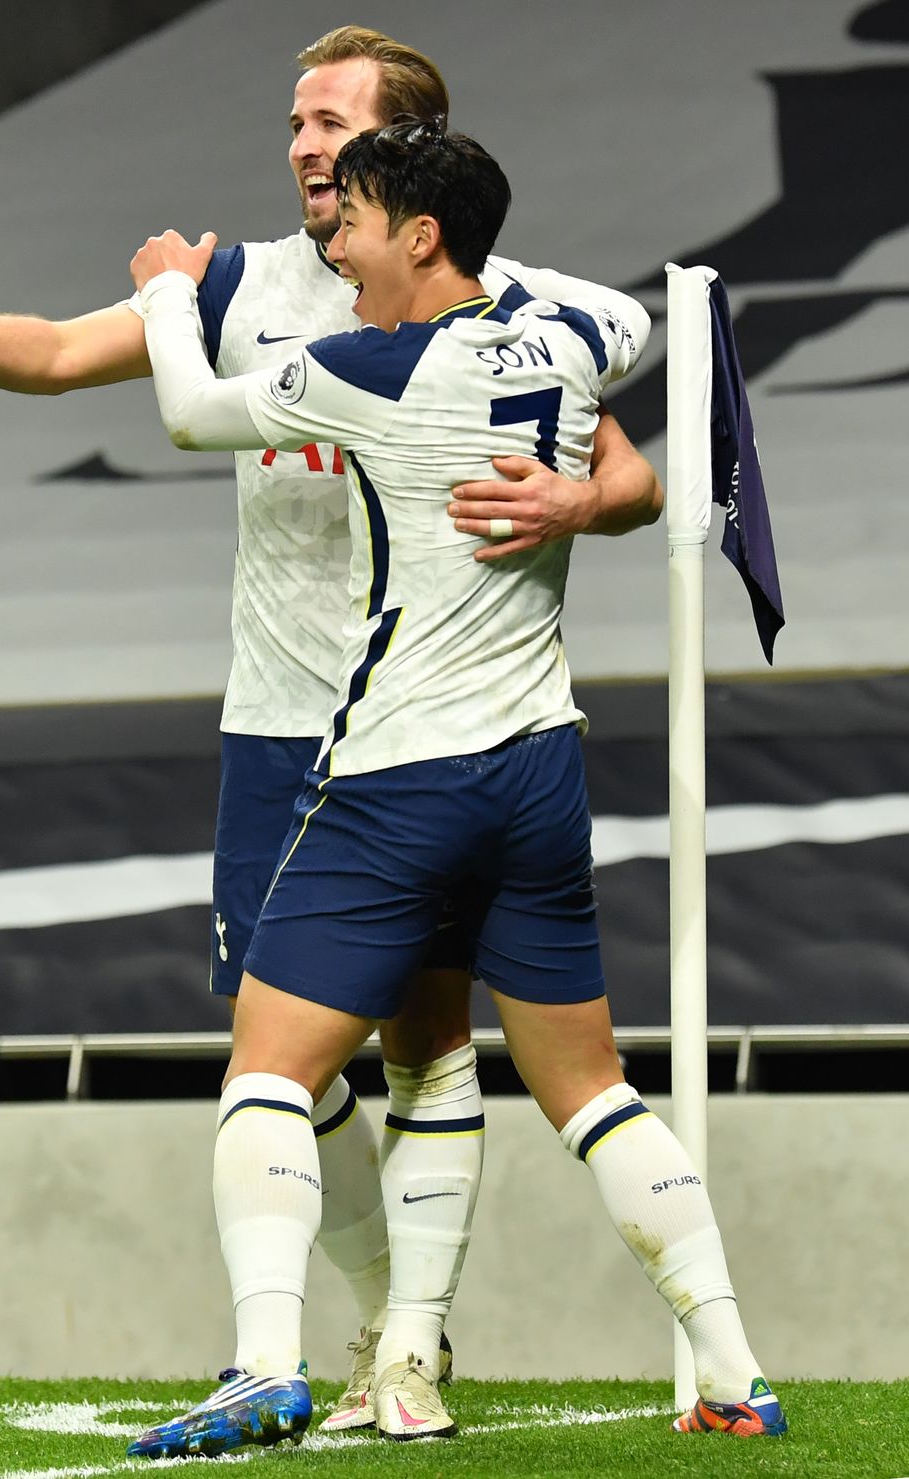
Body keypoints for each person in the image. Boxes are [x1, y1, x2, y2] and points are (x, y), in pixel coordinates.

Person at [0, 26, 660, 1432]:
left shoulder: (494, 295)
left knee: (421, 1046)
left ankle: (406, 1350)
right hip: (279, 730)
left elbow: (630, 469)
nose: (299, 144)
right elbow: (54, 354)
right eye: (292, 119)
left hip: (432, 724)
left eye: (331, 118)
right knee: (281, 1056)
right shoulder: (240, 287)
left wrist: (583, 503)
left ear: (404, 148)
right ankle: (363, 1326)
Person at [122, 120, 785, 1458]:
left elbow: (192, 414)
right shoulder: (572, 346)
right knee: (591, 1090)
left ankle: (262, 1359)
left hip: (397, 773)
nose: (335, 244)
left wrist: (159, 288)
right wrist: (583, 498)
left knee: (268, 1066)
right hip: (539, 770)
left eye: (354, 218)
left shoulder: (368, 367)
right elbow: (627, 352)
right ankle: (733, 1369)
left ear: (421, 235)